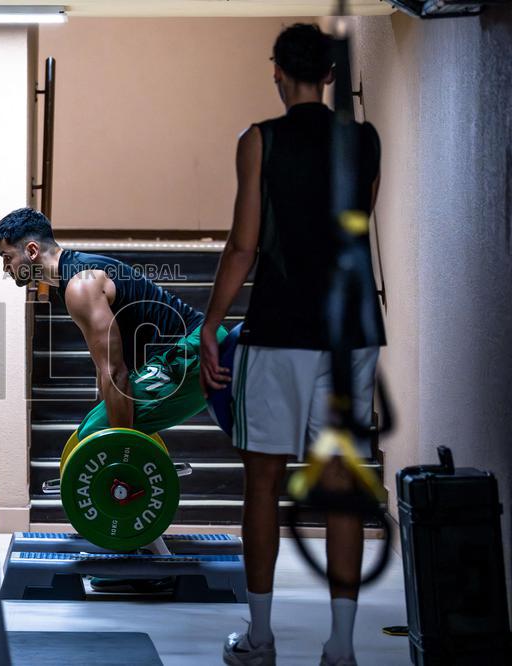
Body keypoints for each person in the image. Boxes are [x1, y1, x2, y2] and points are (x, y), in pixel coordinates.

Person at [199, 24, 384, 666]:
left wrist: (211, 323)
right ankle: (342, 647)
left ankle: (260, 639)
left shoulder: (259, 140)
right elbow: (356, 229)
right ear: (329, 75)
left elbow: (243, 245)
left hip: (278, 331)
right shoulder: (364, 141)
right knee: (340, 485)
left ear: (277, 71)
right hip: (349, 336)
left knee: (262, 483)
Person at [0, 207, 225, 487]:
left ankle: (132, 482)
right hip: (189, 349)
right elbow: (106, 370)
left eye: (7, 257)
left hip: (195, 353)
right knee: (95, 427)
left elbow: (115, 372)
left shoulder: (80, 286)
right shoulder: (76, 276)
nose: (5, 267)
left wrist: (120, 462)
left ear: (31, 250)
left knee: (95, 432)